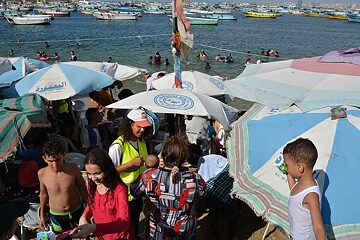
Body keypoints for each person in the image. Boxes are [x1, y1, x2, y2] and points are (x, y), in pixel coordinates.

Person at [130, 135, 206, 239]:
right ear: (184, 158)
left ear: (164, 155)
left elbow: (134, 191)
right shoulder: (195, 179)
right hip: (185, 232)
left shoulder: (149, 176)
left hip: (158, 232)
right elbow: (202, 194)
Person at [108, 108, 152, 239]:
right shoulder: (118, 146)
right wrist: (131, 164)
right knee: (126, 225)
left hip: (138, 192)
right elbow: (109, 171)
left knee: (135, 220)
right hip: (124, 196)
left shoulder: (142, 141)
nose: (142, 130)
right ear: (130, 124)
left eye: (144, 127)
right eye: (139, 126)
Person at [70, 149, 131, 240]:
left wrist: (94, 228)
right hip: (100, 236)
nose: (93, 178)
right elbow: (92, 204)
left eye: (97, 173)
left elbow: (124, 223)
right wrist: (84, 217)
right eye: (89, 174)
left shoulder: (120, 190)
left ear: (107, 170)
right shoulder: (94, 184)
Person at [38, 141, 88, 233]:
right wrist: (42, 215)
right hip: (57, 215)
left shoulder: (73, 169)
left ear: (64, 155)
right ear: (44, 159)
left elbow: (83, 189)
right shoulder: (42, 173)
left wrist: (89, 210)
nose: (55, 164)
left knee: (83, 235)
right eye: (51, 161)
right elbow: (43, 194)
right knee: (61, 237)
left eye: (58, 159)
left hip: (76, 211)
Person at [283, 138, 326, 240]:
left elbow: (318, 227)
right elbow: (294, 190)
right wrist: (288, 173)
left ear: (300, 167)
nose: (285, 167)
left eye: (286, 165)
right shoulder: (301, 184)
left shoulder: (311, 196)